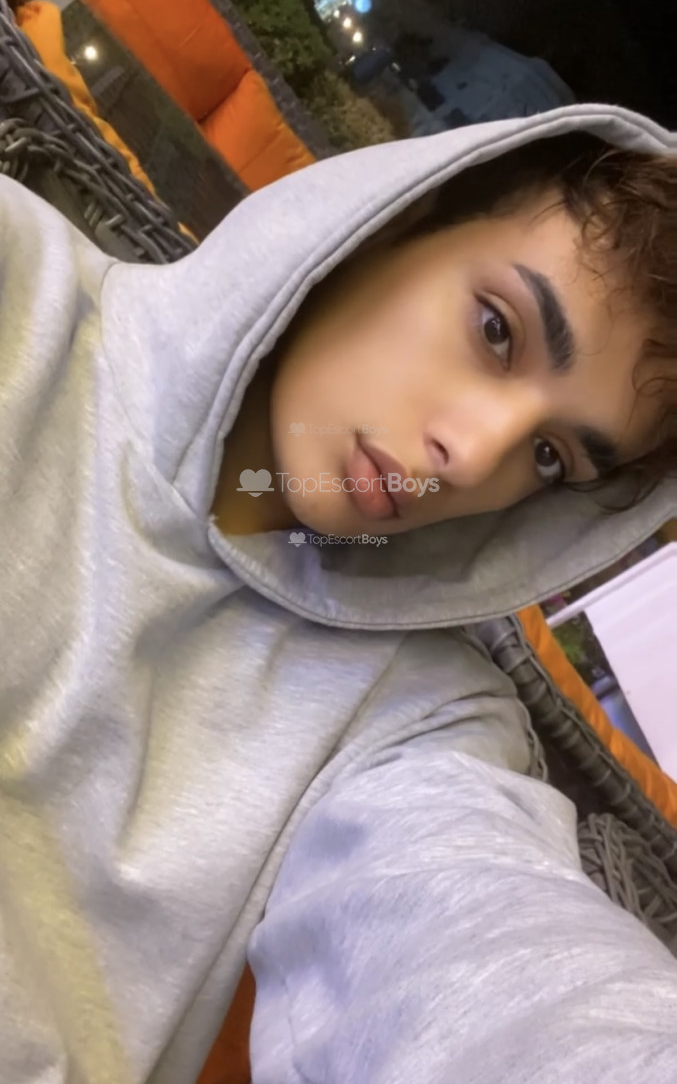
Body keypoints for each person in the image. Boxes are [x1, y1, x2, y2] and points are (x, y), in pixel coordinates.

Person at [0, 104, 674, 1084]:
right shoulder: (16, 295)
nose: (472, 453)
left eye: (548, 456)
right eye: (495, 329)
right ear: (398, 218)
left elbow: (491, 968)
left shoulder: (415, 719)